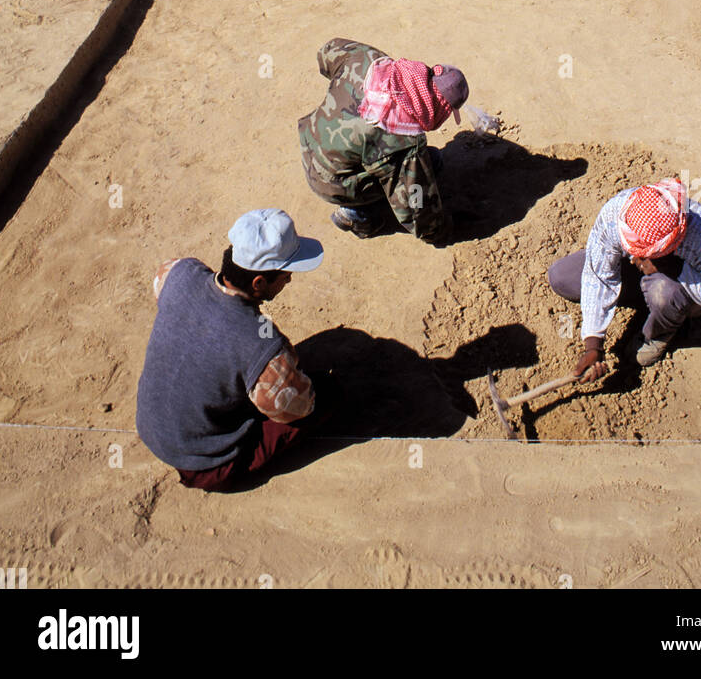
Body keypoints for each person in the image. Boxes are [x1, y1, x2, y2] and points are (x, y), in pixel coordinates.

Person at [136, 209, 333, 492]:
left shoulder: (178, 272)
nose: (289, 280)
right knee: (329, 394)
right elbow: (297, 408)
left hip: (149, 427)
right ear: (259, 283)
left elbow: (161, 286)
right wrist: (287, 363)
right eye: (285, 275)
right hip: (206, 465)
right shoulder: (262, 346)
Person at [548, 178, 701, 379]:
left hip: (673, 284)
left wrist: (671, 268)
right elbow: (597, 276)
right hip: (638, 274)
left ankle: (662, 328)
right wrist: (593, 344)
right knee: (562, 277)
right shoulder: (616, 212)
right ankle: (648, 299)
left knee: (664, 293)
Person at [298, 38, 468, 244]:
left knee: (428, 160)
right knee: (430, 164)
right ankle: (356, 214)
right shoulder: (405, 142)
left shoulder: (370, 60)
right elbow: (416, 208)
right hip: (328, 180)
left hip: (310, 142)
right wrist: (441, 230)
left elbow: (327, 51)